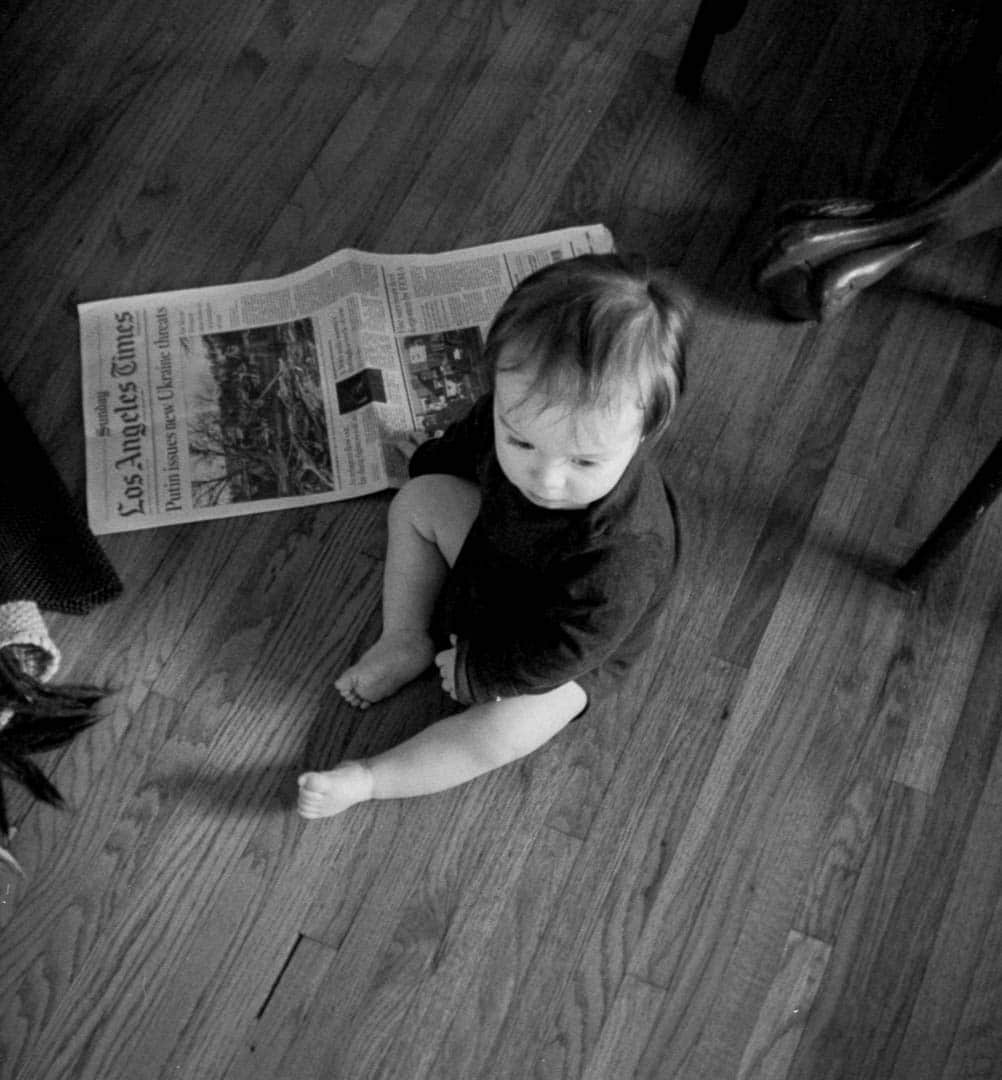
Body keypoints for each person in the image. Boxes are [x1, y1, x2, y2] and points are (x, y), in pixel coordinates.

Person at [297, 253, 691, 819]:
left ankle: (371, 779)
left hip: (561, 646)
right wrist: (430, 462)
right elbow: (469, 441)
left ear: (646, 431)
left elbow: (566, 649)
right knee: (419, 500)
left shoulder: (627, 552)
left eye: (583, 460)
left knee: (507, 730)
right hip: (498, 557)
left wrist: (483, 670)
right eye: (522, 442)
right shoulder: (512, 413)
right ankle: (406, 636)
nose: (546, 479)